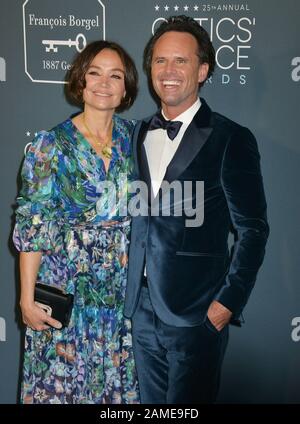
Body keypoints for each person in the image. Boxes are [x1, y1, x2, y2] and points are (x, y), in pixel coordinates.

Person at [124, 16, 269, 403]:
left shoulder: (230, 137)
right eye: (159, 61)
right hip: (139, 311)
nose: (168, 71)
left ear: (203, 69)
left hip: (197, 315)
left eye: (181, 61)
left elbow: (253, 229)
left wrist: (227, 304)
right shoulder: (138, 133)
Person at [13, 40, 139, 404]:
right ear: (81, 82)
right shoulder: (49, 145)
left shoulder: (137, 139)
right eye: (94, 73)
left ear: (126, 87)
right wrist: (26, 298)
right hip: (66, 284)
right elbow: (33, 226)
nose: (104, 82)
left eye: (115, 75)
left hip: (120, 290)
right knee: (60, 384)